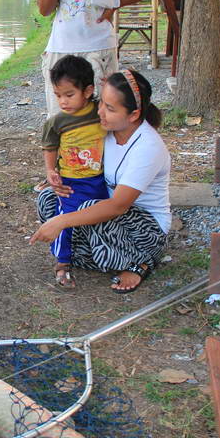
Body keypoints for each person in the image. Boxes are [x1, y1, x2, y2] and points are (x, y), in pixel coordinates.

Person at [30, 69, 170, 294]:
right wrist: (57, 176)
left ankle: (143, 260)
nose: (100, 112)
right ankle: (100, 255)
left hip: (144, 229)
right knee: (49, 198)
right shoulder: (106, 131)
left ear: (133, 115)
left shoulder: (148, 148)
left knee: (86, 210)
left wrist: (62, 221)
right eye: (101, 103)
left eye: (110, 108)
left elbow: (118, 206)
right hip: (106, 211)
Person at [40, 55, 110, 289]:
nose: (63, 102)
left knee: (101, 216)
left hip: (100, 179)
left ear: (88, 90)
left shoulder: (101, 113)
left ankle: (104, 254)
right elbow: (50, 147)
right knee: (65, 221)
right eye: (58, 95)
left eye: (69, 95)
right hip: (70, 183)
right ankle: (63, 262)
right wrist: (51, 171)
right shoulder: (57, 122)